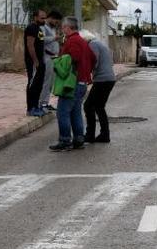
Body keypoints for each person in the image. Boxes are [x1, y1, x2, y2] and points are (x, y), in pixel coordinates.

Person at [49, 16, 96, 152]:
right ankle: (78, 139)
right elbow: (93, 58)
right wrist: (87, 71)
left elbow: (73, 58)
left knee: (62, 112)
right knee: (75, 112)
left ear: (68, 28)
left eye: (63, 27)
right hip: (82, 82)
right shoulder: (83, 41)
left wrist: (61, 65)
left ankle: (65, 140)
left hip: (72, 83)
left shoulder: (72, 41)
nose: (62, 30)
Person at [80, 30, 116, 143]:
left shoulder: (93, 44)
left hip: (102, 79)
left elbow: (93, 61)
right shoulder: (99, 43)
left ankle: (90, 135)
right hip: (108, 78)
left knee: (88, 105)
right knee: (99, 107)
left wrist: (85, 74)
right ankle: (104, 135)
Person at [23, 9, 46, 117]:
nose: (44, 20)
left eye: (44, 17)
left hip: (41, 61)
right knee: (32, 84)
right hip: (33, 62)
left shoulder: (39, 29)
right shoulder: (31, 28)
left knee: (39, 85)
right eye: (42, 18)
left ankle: (36, 106)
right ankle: (30, 108)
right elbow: (30, 45)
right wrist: (35, 61)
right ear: (35, 17)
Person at [39, 10, 62, 113]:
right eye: (56, 21)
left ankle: (46, 102)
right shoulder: (43, 27)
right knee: (46, 81)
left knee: (50, 82)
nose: (56, 24)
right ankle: (42, 103)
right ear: (51, 18)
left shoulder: (52, 28)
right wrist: (54, 38)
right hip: (46, 56)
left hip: (53, 57)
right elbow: (41, 40)